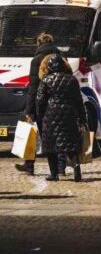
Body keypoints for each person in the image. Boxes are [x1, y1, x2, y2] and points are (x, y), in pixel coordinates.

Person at [36, 54, 87, 182]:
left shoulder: (46, 80)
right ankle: (76, 168)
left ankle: (54, 174)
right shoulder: (72, 80)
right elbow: (79, 101)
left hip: (51, 116)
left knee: (50, 146)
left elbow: (40, 101)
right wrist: (83, 118)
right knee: (71, 145)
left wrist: (40, 117)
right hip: (69, 115)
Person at [15, 33, 60, 175]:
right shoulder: (60, 58)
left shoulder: (36, 60)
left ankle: (29, 166)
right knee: (56, 134)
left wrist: (29, 110)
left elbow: (33, 87)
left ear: (39, 43)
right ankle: (60, 167)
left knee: (30, 134)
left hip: (39, 103)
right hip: (57, 102)